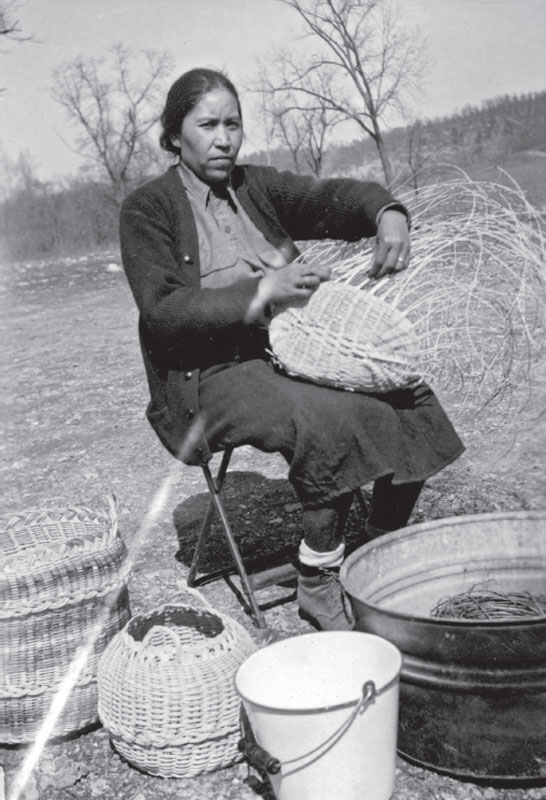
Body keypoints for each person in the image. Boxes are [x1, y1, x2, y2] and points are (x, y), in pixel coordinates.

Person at [120, 67, 464, 631]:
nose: (224, 138)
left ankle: (379, 546)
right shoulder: (147, 209)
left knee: (410, 396)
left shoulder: (254, 186)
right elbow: (163, 315)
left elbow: (326, 197)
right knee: (328, 419)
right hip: (206, 375)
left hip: (289, 347)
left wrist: (387, 212)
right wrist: (261, 291)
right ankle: (317, 574)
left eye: (233, 123)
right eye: (207, 124)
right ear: (175, 134)